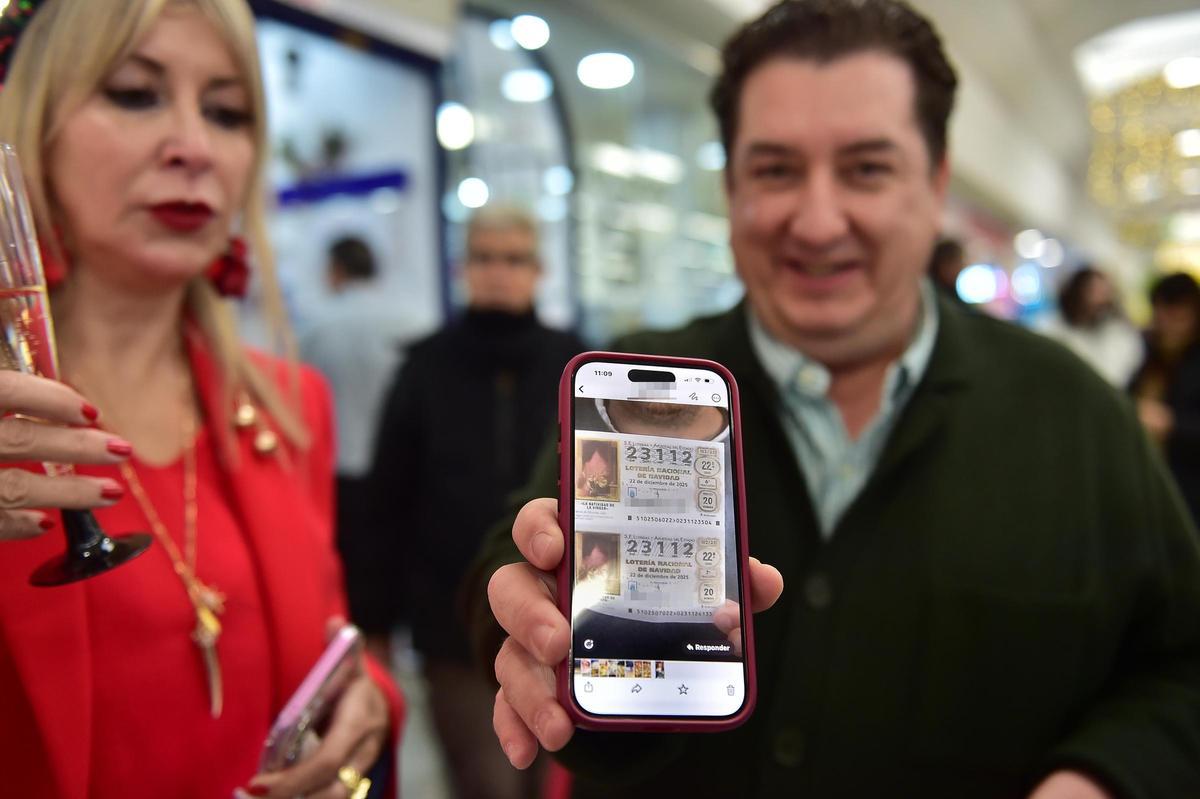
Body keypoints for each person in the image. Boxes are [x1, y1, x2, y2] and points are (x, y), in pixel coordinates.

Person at [466, 2, 1200, 797]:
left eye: (866, 169)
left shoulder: (1076, 414)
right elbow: (510, 561)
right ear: (731, 187)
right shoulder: (644, 386)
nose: (817, 222)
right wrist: (524, 620)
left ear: (937, 181)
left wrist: (1098, 778)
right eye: (776, 169)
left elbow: (1181, 665)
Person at [0, 1, 402, 797]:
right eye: (134, 93)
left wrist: (370, 710)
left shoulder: (289, 405)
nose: (194, 148)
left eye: (227, 112)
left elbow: (329, 638)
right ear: (34, 125)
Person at [368, 206, 583, 799]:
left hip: (559, 616)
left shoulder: (575, 360)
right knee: (485, 780)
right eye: (485, 258)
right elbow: (387, 495)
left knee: (553, 772)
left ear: (538, 271)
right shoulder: (425, 366)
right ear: (464, 268)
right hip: (451, 623)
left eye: (513, 259)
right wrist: (376, 620)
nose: (498, 272)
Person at [299, 235, 412, 641]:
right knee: (397, 586)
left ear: (335, 270)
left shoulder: (317, 327)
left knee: (357, 598)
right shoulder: (411, 322)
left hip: (342, 478)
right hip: (403, 478)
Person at [1130, 272, 1200, 520]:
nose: (1168, 325)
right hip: (1151, 485)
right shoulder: (1149, 353)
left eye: (1177, 317)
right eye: (1162, 316)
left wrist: (1172, 422)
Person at [1037, 266, 1143, 387]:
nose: (1097, 300)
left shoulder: (1119, 335)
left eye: (1104, 293)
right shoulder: (1049, 326)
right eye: (1091, 291)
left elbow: (1115, 376)